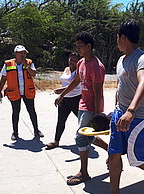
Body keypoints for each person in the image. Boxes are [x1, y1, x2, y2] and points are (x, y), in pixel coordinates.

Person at [108, 19, 144, 194]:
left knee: (136, 158)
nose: (116, 41)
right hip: (120, 113)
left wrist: (131, 111)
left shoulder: (142, 58)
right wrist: (117, 109)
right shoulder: (120, 60)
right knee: (113, 154)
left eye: (117, 37)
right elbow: (121, 86)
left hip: (139, 117)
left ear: (123, 38)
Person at [54, 32, 108, 185]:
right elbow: (76, 81)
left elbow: (98, 93)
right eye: (76, 46)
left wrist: (98, 115)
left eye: (80, 46)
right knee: (87, 136)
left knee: (81, 136)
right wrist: (62, 94)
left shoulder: (97, 67)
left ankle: (84, 172)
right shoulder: (81, 63)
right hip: (82, 104)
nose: (77, 49)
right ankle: (111, 152)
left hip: (92, 106)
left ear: (89, 46)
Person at [0, 45, 44, 141]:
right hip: (14, 92)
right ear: (15, 54)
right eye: (20, 53)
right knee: (15, 112)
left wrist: (26, 65)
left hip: (28, 91)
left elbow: (34, 74)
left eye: (24, 53)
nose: (23, 54)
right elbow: (3, 78)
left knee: (32, 111)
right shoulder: (8, 64)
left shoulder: (29, 63)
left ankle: (36, 130)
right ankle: (15, 132)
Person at [46, 53, 82, 149]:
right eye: (71, 59)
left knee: (82, 120)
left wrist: (61, 92)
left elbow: (75, 85)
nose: (72, 62)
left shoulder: (79, 71)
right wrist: (62, 94)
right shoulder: (66, 69)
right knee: (61, 120)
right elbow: (66, 82)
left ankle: (90, 138)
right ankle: (56, 141)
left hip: (76, 99)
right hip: (64, 99)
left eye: (75, 60)